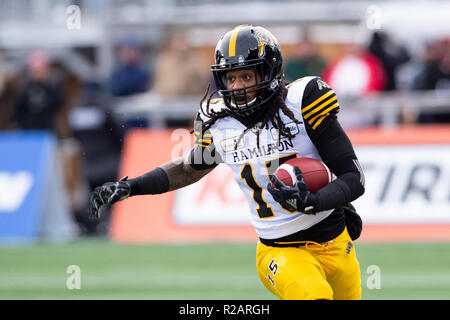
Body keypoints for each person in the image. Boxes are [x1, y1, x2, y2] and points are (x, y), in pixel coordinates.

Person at [89, 25, 365, 300]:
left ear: (269, 72)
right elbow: (188, 169)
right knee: (315, 295)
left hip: (337, 241)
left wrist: (318, 200)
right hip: (280, 251)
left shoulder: (302, 101)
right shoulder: (221, 123)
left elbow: (354, 178)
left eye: (246, 76)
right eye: (230, 79)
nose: (237, 87)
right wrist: (133, 186)